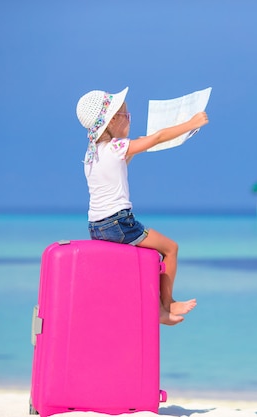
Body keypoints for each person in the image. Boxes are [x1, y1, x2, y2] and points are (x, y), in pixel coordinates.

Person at [76, 86, 209, 325]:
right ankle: (165, 306)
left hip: (96, 227)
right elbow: (157, 137)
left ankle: (156, 303)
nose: (130, 118)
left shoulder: (92, 154)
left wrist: (135, 148)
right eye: (126, 114)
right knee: (170, 248)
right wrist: (191, 123)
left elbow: (118, 163)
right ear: (112, 120)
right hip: (120, 223)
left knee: (149, 254)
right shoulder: (117, 148)